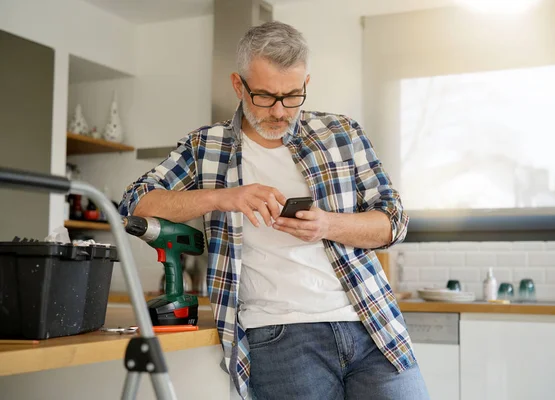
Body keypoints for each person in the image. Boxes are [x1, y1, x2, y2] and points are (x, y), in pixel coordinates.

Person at [118, 21, 429, 400]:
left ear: (305, 84)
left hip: (371, 325)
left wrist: (327, 225)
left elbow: (394, 222)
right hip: (279, 337)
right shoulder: (206, 146)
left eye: (292, 95)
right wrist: (223, 197)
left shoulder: (342, 134)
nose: (280, 111)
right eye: (265, 96)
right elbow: (136, 200)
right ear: (238, 85)